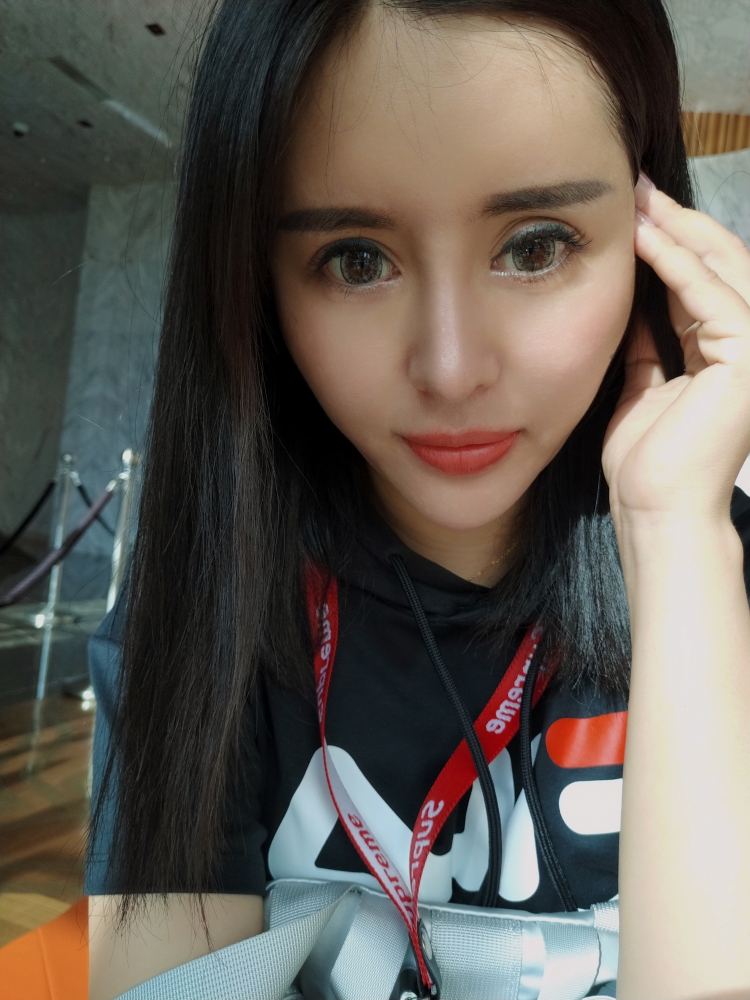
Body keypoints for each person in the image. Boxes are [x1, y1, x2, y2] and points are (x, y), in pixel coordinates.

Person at [86, 1, 750, 998]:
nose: (449, 369)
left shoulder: (717, 575)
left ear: (652, 242)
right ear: (256, 287)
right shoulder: (206, 600)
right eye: (357, 259)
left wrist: (677, 538)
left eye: (536, 245)